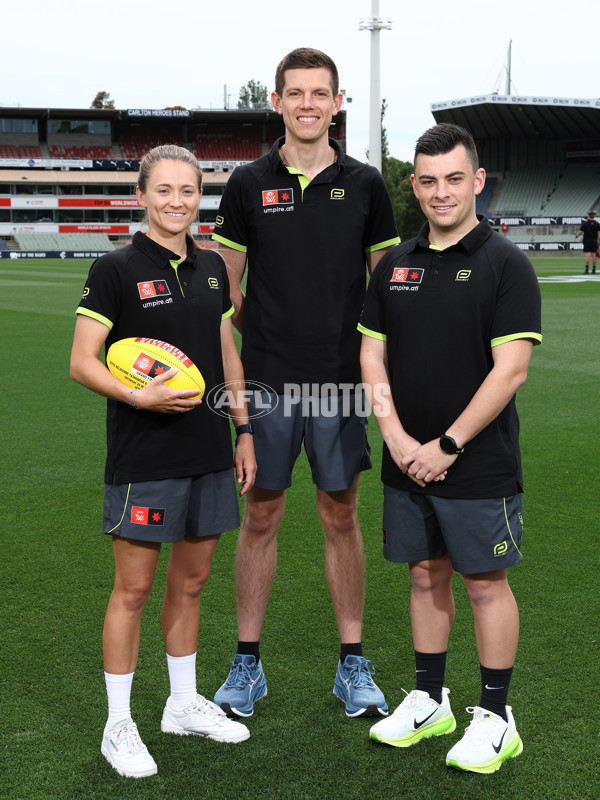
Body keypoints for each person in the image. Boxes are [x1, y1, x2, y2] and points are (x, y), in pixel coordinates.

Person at [211, 47, 400, 719]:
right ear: (277, 102)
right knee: (260, 515)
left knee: (340, 514)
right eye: (296, 93)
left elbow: (385, 290)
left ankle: (353, 664)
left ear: (337, 102)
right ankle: (246, 665)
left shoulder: (368, 184)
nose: (309, 104)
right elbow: (223, 289)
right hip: (264, 381)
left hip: (339, 384)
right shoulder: (246, 183)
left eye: (321, 93)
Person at [359, 123, 542, 774]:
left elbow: (510, 370)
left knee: (485, 585)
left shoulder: (505, 264)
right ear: (415, 185)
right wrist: (399, 440)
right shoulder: (397, 265)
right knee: (423, 574)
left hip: (476, 462)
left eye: (454, 179)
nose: (441, 192)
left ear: (477, 182)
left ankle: (496, 717)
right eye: (429, 180)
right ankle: (429, 701)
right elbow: (371, 355)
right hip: (407, 460)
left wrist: (447, 444)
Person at [70, 144, 257, 779]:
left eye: (187, 190)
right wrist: (136, 394)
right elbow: (83, 361)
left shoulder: (211, 269)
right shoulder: (116, 268)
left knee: (193, 582)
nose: (177, 201)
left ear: (198, 195)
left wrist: (243, 429)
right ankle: (117, 722)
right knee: (134, 589)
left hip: (208, 450)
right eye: (164, 190)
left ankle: (181, 702)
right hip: (144, 455)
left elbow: (226, 354)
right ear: (142, 196)